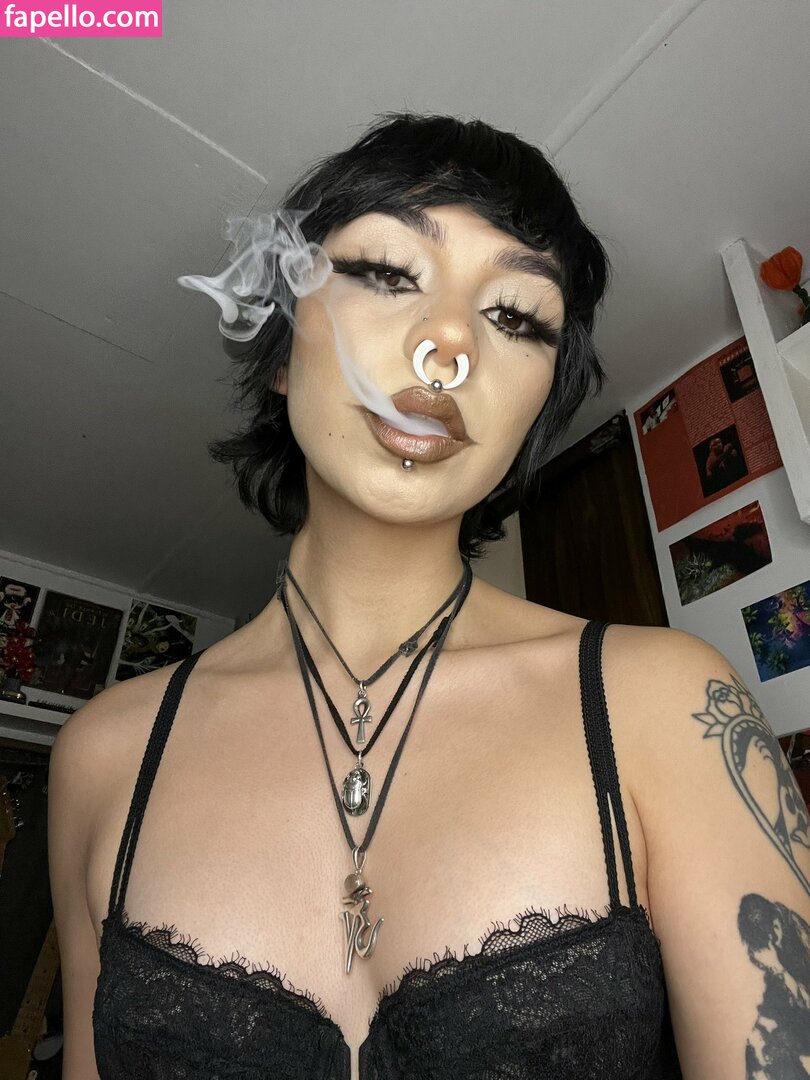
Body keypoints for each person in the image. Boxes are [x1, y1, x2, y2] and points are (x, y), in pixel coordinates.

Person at [48, 113, 810, 1080]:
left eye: (515, 317)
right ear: (281, 350)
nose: (449, 343)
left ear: (534, 414)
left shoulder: (663, 705)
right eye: (385, 272)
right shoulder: (104, 757)